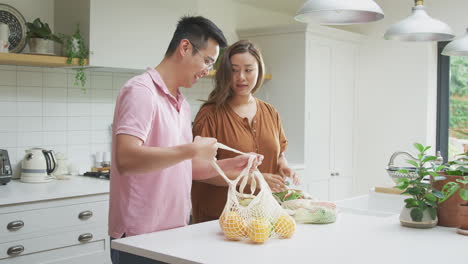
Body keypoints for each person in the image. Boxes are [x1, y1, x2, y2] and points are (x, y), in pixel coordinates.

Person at [109, 17, 260, 264]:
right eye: (207, 61)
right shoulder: (140, 91)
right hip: (139, 237)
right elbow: (126, 158)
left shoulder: (181, 104)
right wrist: (192, 149)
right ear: (185, 48)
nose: (207, 70)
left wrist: (229, 167)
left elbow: (182, 168)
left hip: (175, 231)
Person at [191, 40, 301, 224]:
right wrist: (254, 179)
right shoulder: (210, 115)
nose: (241, 77)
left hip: (262, 217)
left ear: (259, 71)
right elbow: (202, 171)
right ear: (225, 73)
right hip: (220, 220)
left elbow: (278, 154)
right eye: (234, 70)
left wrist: (284, 166)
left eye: (248, 70)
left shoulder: (270, 112)